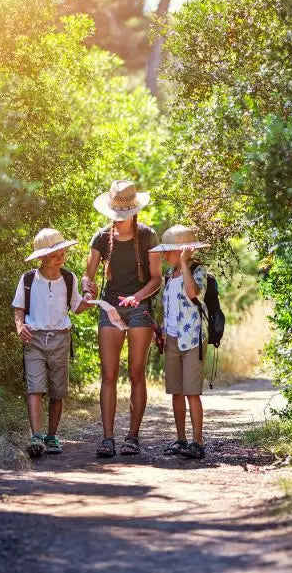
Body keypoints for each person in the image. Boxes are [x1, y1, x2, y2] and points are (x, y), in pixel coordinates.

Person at [82, 180, 161, 458]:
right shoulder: (101, 238)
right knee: (109, 374)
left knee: (137, 372)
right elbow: (88, 275)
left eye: (124, 213)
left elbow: (156, 278)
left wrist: (138, 297)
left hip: (139, 307)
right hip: (110, 307)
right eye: (116, 213)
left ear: (134, 210)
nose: (120, 219)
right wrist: (86, 287)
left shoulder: (148, 235)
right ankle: (107, 438)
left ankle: (133, 436)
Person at [12, 228, 93, 457]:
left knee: (58, 391)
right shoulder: (28, 279)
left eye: (62, 252)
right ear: (41, 257)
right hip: (34, 339)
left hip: (60, 338)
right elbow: (19, 308)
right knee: (34, 388)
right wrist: (20, 326)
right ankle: (36, 436)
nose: (61, 256)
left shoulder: (69, 278)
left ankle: (51, 436)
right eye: (55, 253)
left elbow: (76, 307)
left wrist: (89, 301)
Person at [150, 225, 211, 459]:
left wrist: (185, 264)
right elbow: (169, 308)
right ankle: (181, 439)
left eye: (169, 251)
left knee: (191, 392)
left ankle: (198, 441)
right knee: (176, 392)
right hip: (173, 339)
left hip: (193, 338)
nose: (165, 255)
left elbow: (193, 293)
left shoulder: (197, 271)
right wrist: (163, 333)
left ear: (183, 251)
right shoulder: (168, 275)